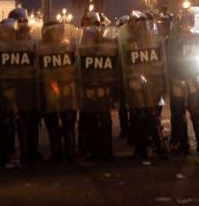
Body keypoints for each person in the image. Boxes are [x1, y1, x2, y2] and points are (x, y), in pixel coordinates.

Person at [0, 9, 40, 167]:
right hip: (10, 86)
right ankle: (13, 153)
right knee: (8, 122)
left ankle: (26, 152)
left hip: (24, 87)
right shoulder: (3, 44)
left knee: (26, 121)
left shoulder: (29, 41)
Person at [119, 11, 168, 159]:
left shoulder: (153, 40)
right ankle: (144, 148)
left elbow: (160, 62)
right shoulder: (128, 42)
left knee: (150, 114)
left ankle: (156, 147)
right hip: (137, 80)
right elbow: (125, 63)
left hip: (149, 79)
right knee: (139, 114)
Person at [167, 7, 199, 158]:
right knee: (196, 114)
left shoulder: (172, 41)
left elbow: (167, 61)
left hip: (177, 80)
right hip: (193, 80)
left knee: (178, 115)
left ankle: (182, 146)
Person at [78, 11, 119, 161]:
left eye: (94, 25)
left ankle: (106, 151)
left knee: (104, 119)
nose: (92, 29)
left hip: (102, 86)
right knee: (87, 120)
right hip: (87, 87)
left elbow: (114, 67)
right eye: (88, 25)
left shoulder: (107, 43)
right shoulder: (79, 44)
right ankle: (89, 150)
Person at [38, 20, 79, 162]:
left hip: (60, 87)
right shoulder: (67, 46)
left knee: (61, 120)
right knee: (55, 121)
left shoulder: (65, 46)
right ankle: (66, 153)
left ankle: (64, 153)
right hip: (58, 87)